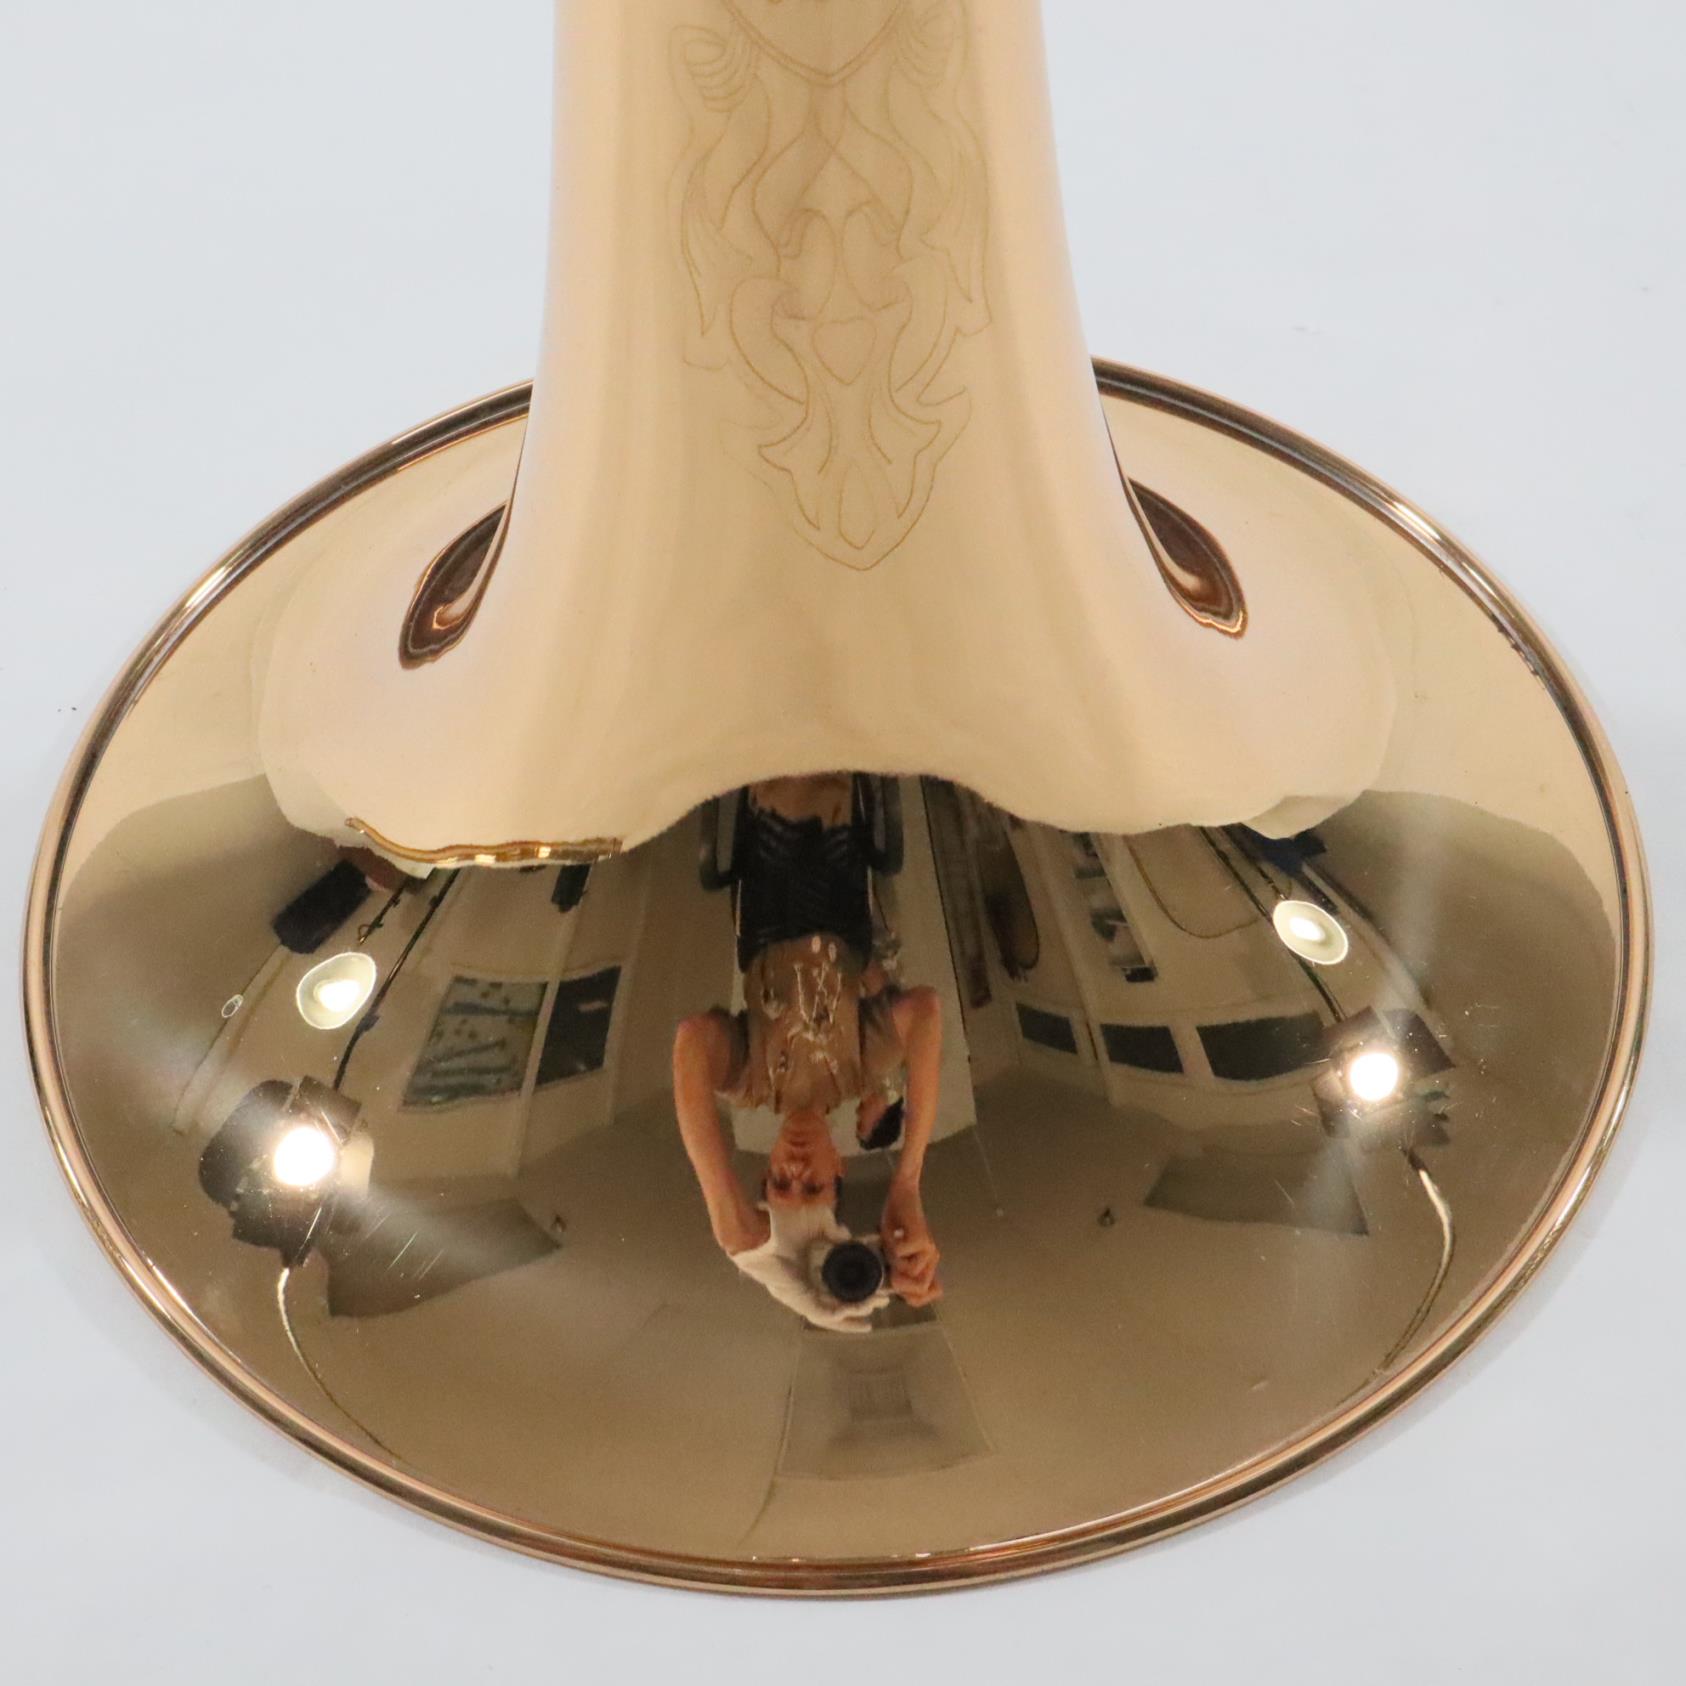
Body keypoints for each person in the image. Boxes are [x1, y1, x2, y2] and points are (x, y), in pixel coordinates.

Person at [673, 774, 943, 1317]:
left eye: (780, 1181)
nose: (795, 1169)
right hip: (838, 871)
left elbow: (692, 1042)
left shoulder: (751, 1082)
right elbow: (925, 1012)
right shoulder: (861, 1070)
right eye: (813, 1185)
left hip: (768, 880)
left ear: (768, 1166)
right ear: (838, 1167)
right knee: (822, 770)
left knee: (784, 773)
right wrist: (907, 1181)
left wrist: (724, 1208)